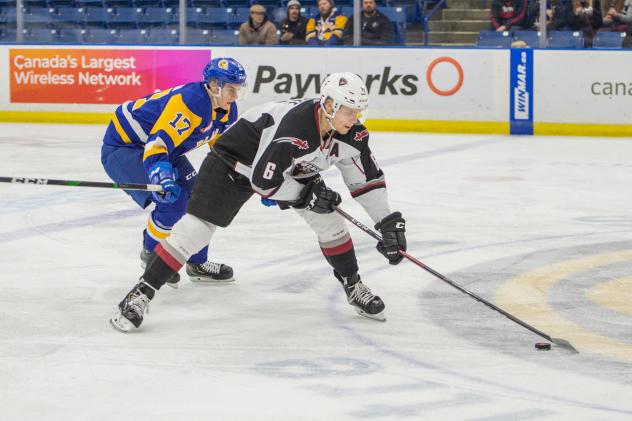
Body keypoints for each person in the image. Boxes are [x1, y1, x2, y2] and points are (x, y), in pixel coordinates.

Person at [109, 72, 408, 333]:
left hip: (288, 169)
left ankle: (353, 286)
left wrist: (387, 222)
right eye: (349, 112)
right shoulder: (296, 126)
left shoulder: (353, 134)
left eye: (358, 112)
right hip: (232, 165)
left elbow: (365, 180)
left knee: (330, 222)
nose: (355, 119)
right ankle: (141, 293)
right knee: (195, 229)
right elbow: (265, 183)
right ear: (329, 105)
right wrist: (307, 194)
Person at [101, 57, 247, 288]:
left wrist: (248, 173)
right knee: (173, 202)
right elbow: (157, 144)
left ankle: (198, 264)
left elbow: (224, 149)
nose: (235, 96)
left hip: (165, 148)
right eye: (231, 89)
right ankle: (151, 254)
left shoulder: (228, 110)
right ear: (214, 85)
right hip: (125, 148)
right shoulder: (191, 103)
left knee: (202, 200)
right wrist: (161, 174)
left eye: (238, 90)